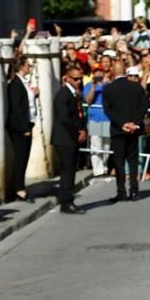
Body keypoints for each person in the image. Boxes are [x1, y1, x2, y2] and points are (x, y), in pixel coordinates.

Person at [103, 64, 147, 202]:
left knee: (119, 161)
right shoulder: (137, 87)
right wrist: (135, 123)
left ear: (113, 72)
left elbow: (108, 109)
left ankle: (121, 191)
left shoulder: (109, 88)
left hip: (118, 129)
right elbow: (144, 106)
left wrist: (122, 123)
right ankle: (134, 190)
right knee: (133, 160)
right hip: (133, 129)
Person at [51, 63, 86, 214]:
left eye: (80, 79)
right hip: (65, 139)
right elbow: (65, 118)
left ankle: (67, 198)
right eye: (75, 79)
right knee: (67, 171)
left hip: (71, 137)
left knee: (71, 170)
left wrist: (83, 128)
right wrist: (77, 132)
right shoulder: (63, 95)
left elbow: (79, 114)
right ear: (68, 78)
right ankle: (66, 202)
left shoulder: (75, 94)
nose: (78, 81)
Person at [5, 55, 37, 203]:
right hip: (20, 127)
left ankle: (21, 187)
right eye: (27, 65)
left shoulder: (24, 82)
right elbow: (16, 109)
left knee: (24, 157)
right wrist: (24, 128)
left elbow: (27, 103)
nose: (29, 67)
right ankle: (19, 189)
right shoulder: (15, 84)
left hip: (28, 123)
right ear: (21, 66)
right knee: (20, 157)